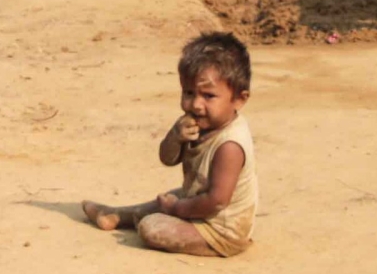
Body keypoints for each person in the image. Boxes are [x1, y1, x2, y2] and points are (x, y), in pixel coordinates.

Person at [82, 32, 259, 257]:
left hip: (220, 231)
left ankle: (148, 218)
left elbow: (216, 201)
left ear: (239, 99)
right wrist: (175, 137)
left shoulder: (230, 146)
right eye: (188, 93)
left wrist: (177, 209)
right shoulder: (196, 123)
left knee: (153, 227)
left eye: (209, 96)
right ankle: (117, 214)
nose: (195, 104)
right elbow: (168, 159)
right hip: (198, 204)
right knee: (168, 198)